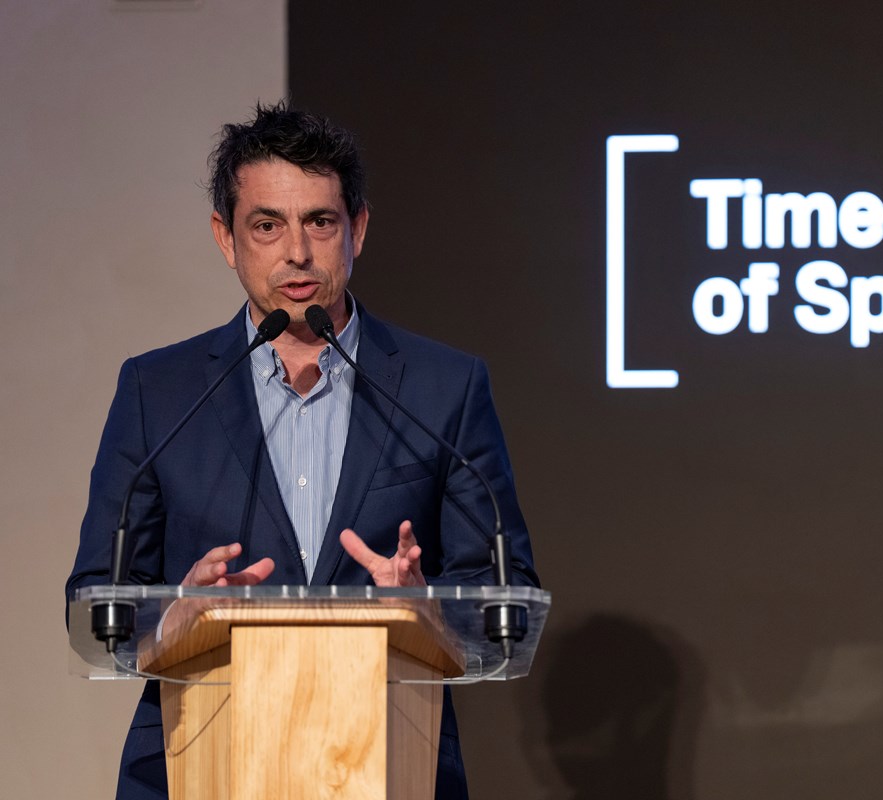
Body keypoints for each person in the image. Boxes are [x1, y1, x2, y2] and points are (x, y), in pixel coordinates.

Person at [66, 101, 538, 800]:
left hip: (390, 763)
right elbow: (95, 601)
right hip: (198, 763)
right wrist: (177, 616)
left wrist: (424, 609)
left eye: (320, 222)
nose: (297, 252)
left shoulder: (444, 388)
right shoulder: (158, 392)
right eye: (267, 225)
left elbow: (506, 604)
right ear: (226, 238)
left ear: (358, 229)